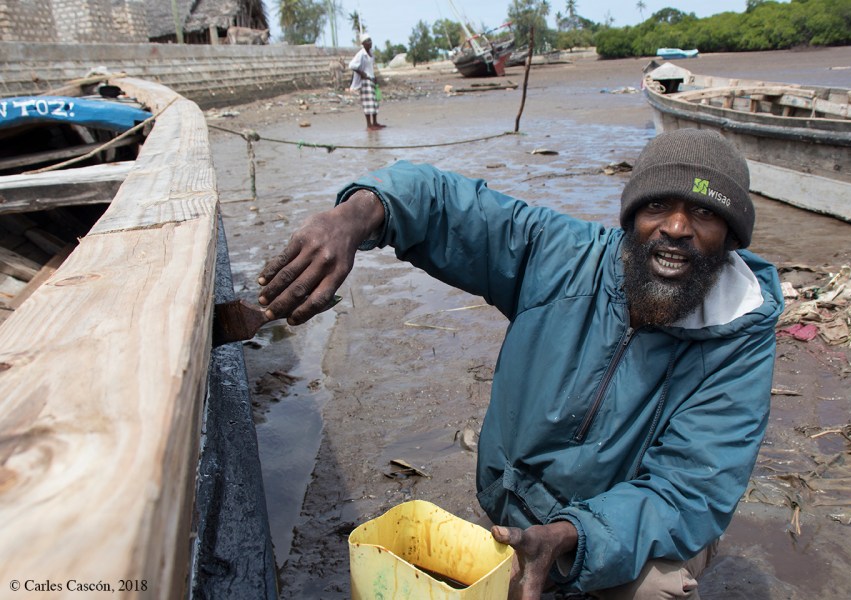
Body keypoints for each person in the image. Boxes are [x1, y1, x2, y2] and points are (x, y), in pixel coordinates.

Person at [255, 129, 784, 599]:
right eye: (658, 207)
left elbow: (688, 489)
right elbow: (443, 202)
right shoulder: (564, 257)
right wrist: (353, 217)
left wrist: (572, 536)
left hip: (620, 530)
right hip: (517, 505)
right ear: (631, 218)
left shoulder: (737, 341)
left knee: (658, 590)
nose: (676, 227)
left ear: (731, 236)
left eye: (704, 213)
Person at [348, 33, 385, 131]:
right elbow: (352, 65)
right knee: (368, 103)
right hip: (365, 81)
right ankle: (369, 125)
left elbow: (370, 67)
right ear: (363, 43)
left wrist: (374, 77)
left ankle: (375, 122)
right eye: (368, 41)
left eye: (370, 40)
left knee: (374, 102)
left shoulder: (370, 54)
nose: (370, 42)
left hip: (371, 79)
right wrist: (362, 73)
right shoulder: (361, 54)